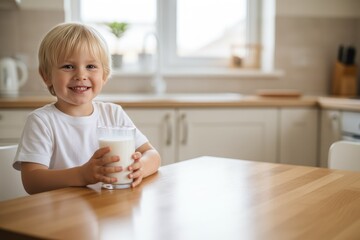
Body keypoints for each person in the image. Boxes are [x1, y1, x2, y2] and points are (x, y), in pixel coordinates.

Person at [13, 23, 161, 194]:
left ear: (104, 75)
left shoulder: (113, 114)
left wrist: (140, 167)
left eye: (90, 66)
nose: (81, 75)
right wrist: (82, 175)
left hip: (106, 209)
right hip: (61, 214)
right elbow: (32, 181)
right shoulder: (42, 122)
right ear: (46, 76)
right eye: (68, 66)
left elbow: (152, 154)